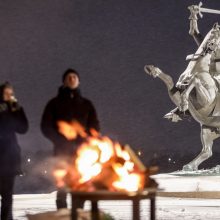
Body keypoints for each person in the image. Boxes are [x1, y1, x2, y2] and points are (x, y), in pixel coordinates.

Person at [40, 68, 100, 209]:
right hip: (62, 151)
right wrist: (59, 140)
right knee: (62, 188)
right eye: (69, 77)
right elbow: (45, 126)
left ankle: (78, 214)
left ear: (79, 81)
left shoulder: (87, 104)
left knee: (82, 186)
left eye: (74, 77)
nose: (72, 79)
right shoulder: (54, 104)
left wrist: (87, 141)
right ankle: (63, 215)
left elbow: (95, 126)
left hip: (83, 153)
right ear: (64, 82)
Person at [0, 82, 28, 220]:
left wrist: (18, 111)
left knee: (7, 197)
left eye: (11, 93)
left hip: (9, 159)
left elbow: (23, 129)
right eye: (6, 92)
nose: (9, 96)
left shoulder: (14, 109)